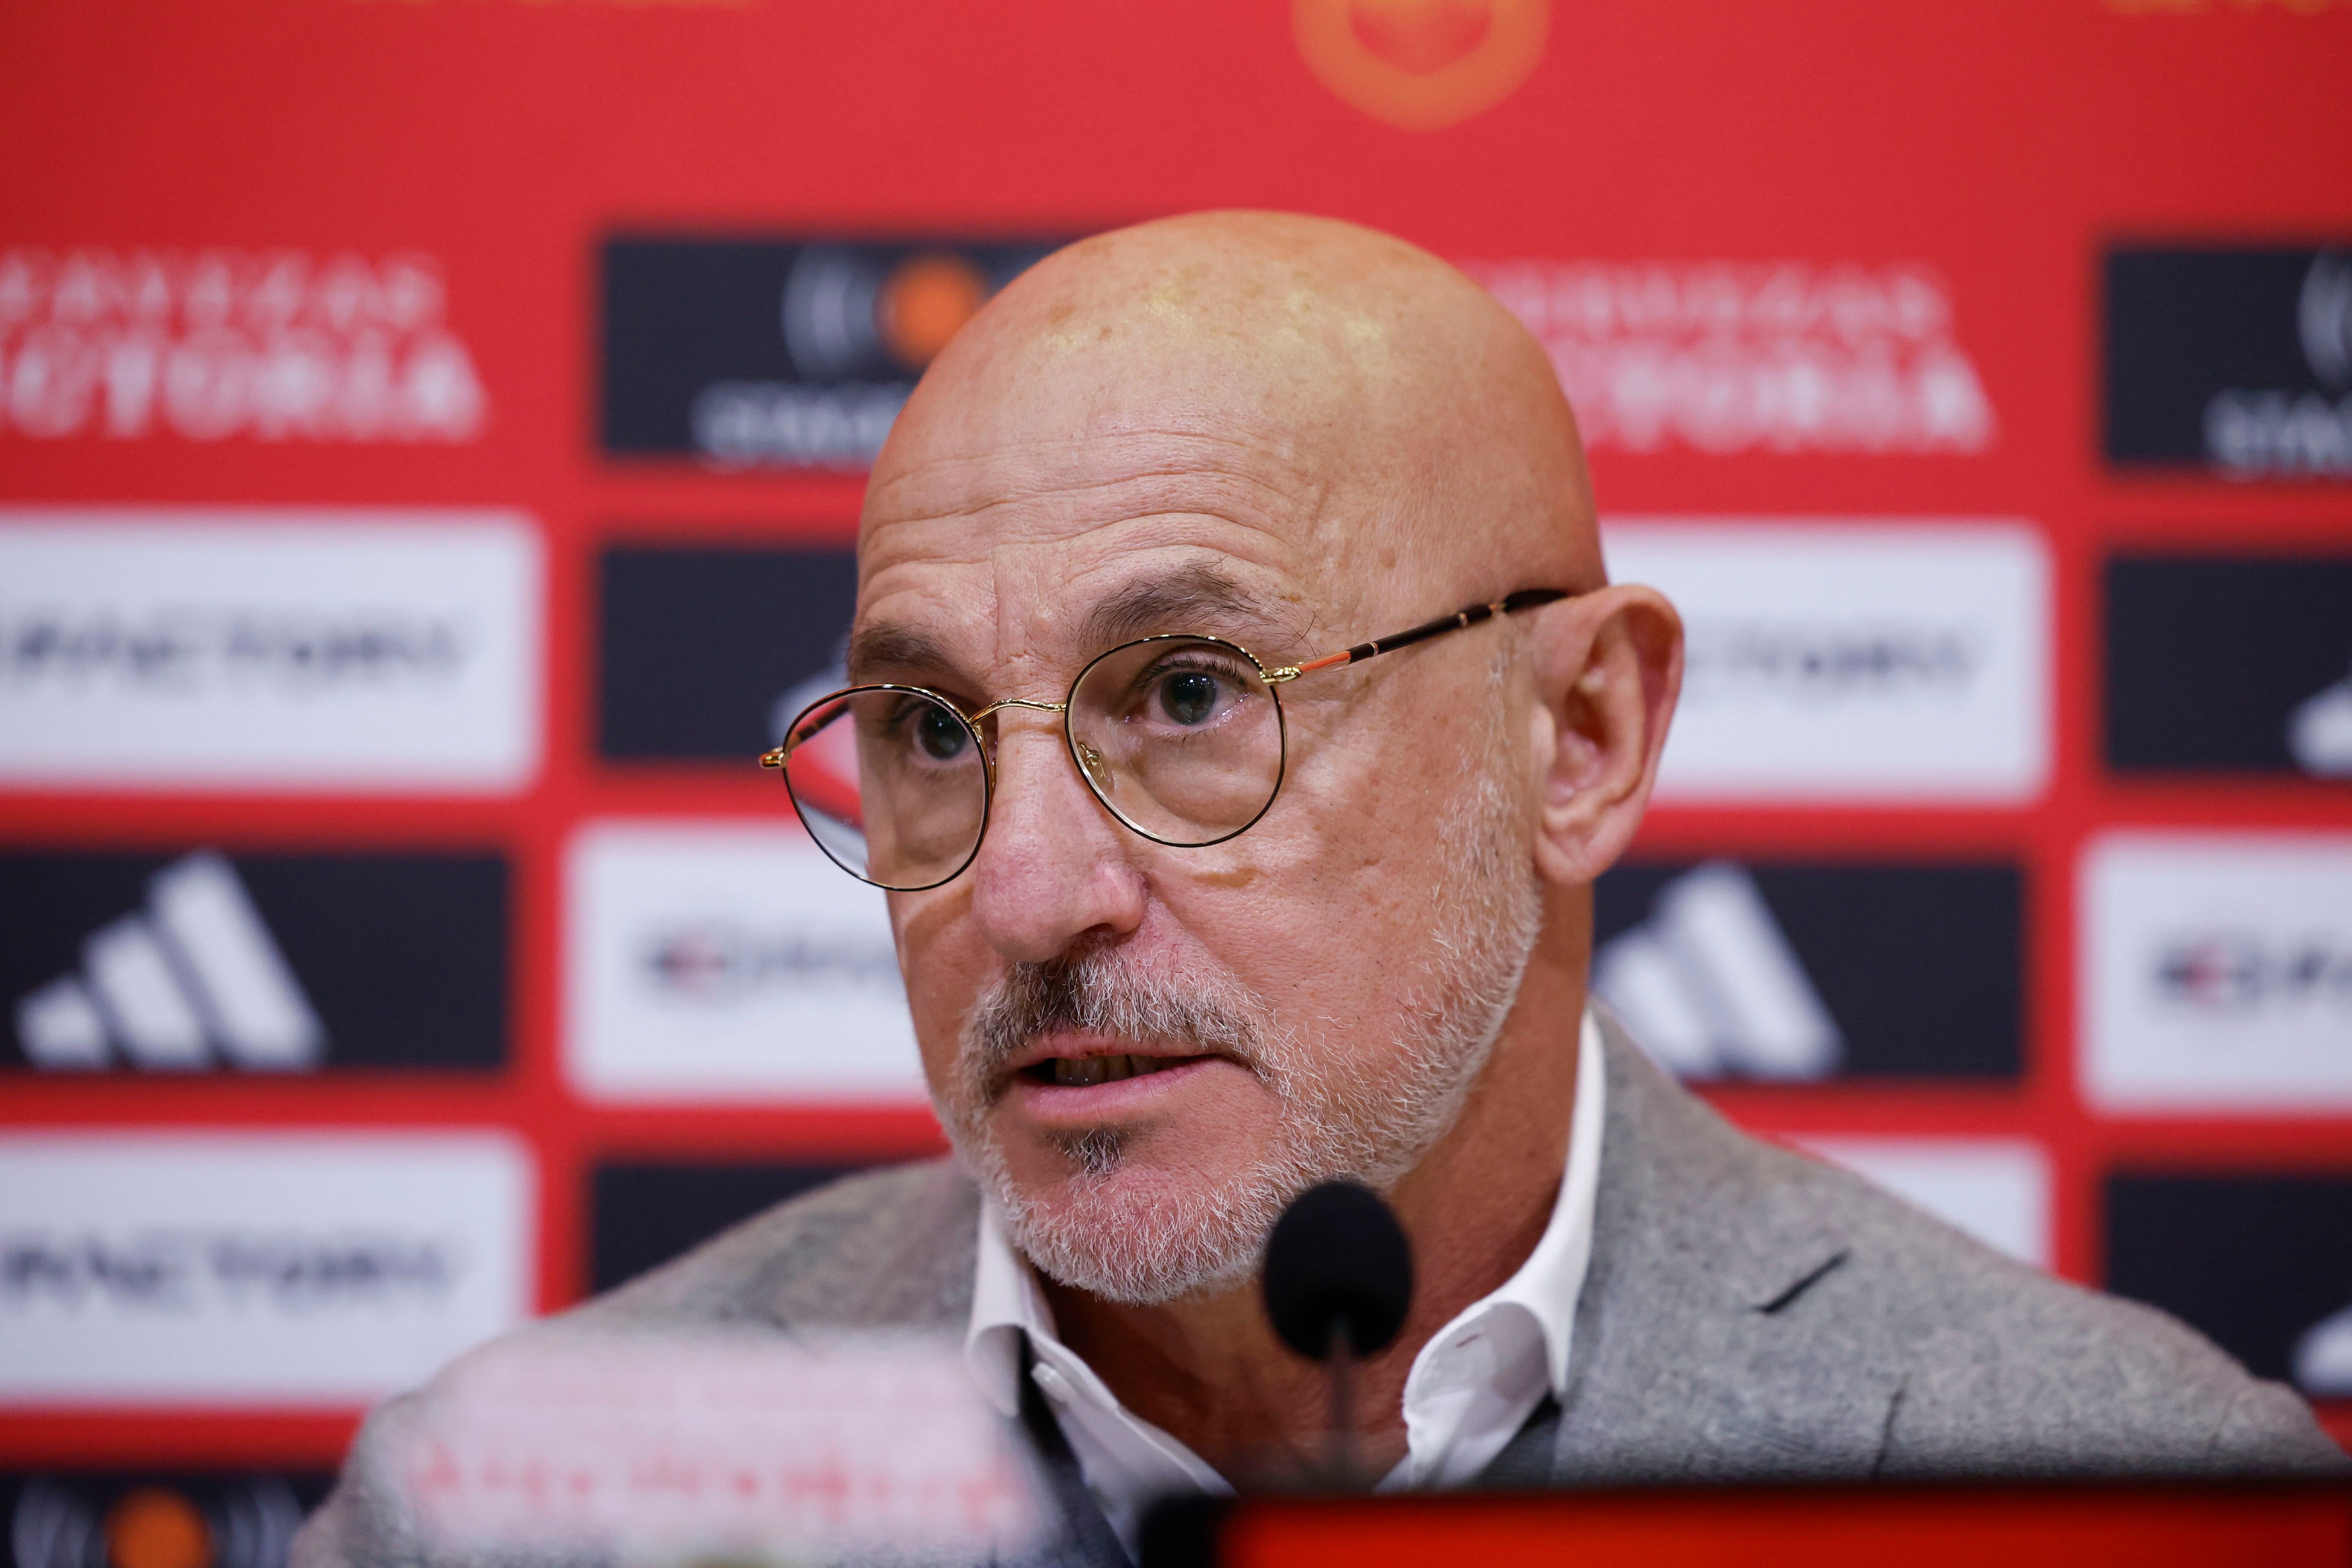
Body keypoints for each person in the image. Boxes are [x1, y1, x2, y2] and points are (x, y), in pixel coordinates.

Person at [298, 213, 2341, 1567]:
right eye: (928, 730)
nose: (1024, 893)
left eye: (1189, 696)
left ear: (1580, 735)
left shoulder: (2097, 1481)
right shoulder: (496, 1519)